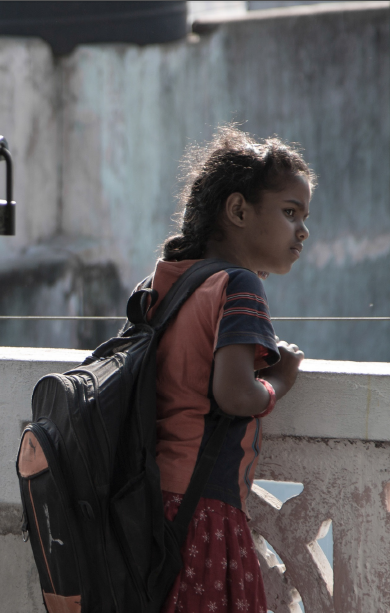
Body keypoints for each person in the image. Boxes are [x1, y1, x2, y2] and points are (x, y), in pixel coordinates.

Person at [149, 125, 315, 613]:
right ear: (239, 210)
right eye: (290, 213)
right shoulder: (240, 285)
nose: (302, 231)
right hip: (204, 508)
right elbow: (236, 394)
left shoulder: (173, 278)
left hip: (153, 500)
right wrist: (282, 377)